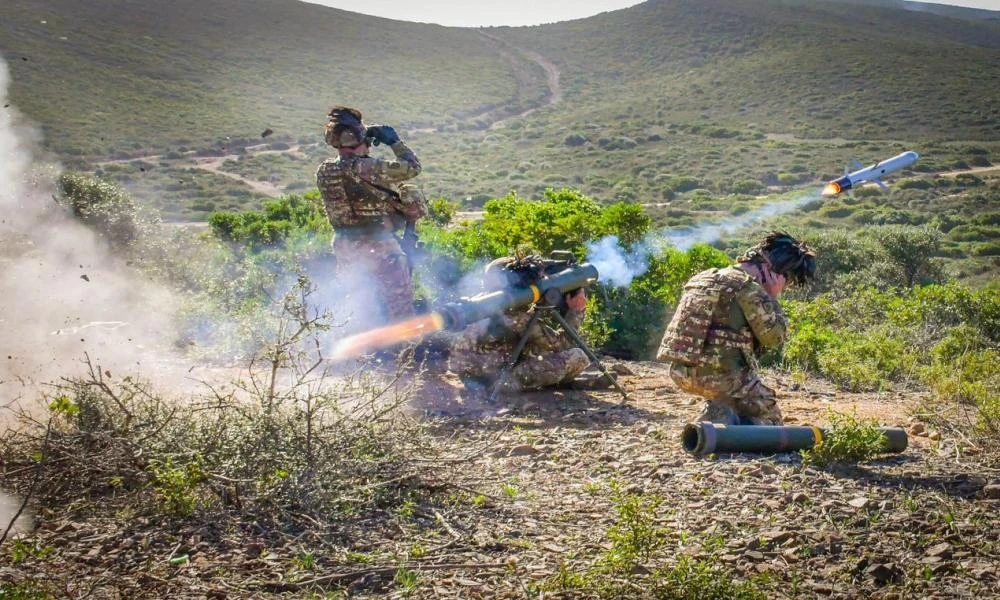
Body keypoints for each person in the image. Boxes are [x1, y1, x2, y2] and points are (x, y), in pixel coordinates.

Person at [656, 232, 817, 425]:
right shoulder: (748, 289)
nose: (785, 285)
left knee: (734, 400)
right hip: (723, 379)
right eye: (787, 279)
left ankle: (720, 410)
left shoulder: (703, 277)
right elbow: (774, 338)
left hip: (681, 374)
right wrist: (772, 298)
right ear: (771, 269)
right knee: (770, 422)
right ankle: (723, 421)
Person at [316, 106, 427, 329]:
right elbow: (413, 167)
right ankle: (406, 353)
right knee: (399, 303)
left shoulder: (325, 170)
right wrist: (393, 141)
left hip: (345, 245)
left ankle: (360, 352)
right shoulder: (366, 167)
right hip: (378, 245)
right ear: (358, 139)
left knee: (358, 301)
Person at [448, 255, 592, 393]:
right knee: (577, 356)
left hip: (471, 378)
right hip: (496, 382)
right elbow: (561, 344)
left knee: (535, 348)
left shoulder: (477, 304)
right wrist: (576, 311)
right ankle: (507, 387)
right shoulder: (515, 315)